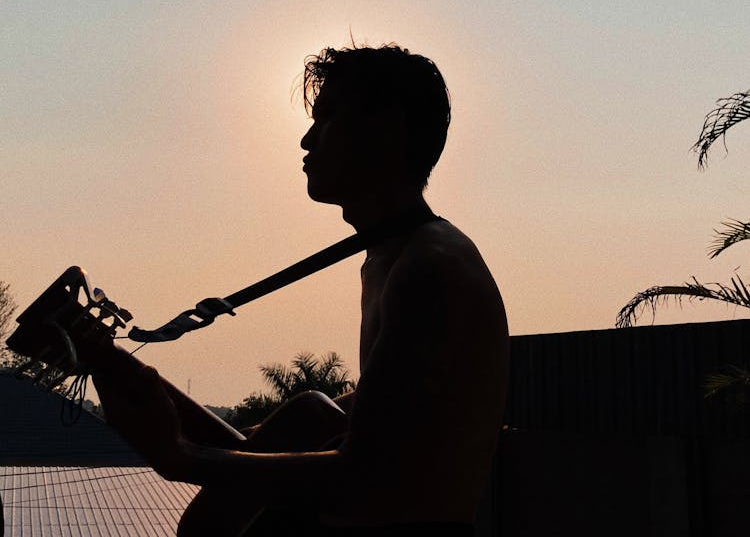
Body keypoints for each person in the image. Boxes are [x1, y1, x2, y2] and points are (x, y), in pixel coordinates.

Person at [94, 44, 509, 536]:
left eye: (328, 117)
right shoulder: (392, 257)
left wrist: (182, 458)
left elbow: (367, 477)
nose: (307, 140)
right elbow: (265, 455)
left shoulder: (427, 268)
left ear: (387, 131)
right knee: (309, 413)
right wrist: (102, 357)